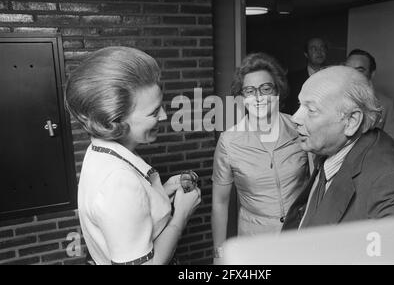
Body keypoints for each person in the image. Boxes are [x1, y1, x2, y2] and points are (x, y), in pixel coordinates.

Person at [65, 47, 201, 265]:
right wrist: (181, 215)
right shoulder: (118, 182)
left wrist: (161, 193)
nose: (165, 115)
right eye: (154, 112)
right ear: (112, 122)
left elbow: (126, 218)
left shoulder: (101, 152)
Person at [282, 66, 394, 236]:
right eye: (300, 105)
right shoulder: (332, 146)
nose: (295, 118)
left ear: (352, 121)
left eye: (311, 110)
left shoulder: (392, 181)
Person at [212, 53, 309, 260]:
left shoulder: (300, 128)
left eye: (266, 88)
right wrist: (219, 253)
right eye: (249, 90)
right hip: (254, 240)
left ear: (278, 91)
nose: (259, 97)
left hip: (300, 235)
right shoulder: (229, 141)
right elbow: (220, 203)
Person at [345, 49, 394, 141]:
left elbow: (392, 142)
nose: (352, 74)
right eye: (348, 69)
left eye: (360, 70)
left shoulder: (386, 104)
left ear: (372, 74)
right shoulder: (330, 98)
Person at [285, 37, 328, 115]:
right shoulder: (292, 79)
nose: (319, 51)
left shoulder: (333, 78)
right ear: (306, 54)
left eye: (322, 48)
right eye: (314, 48)